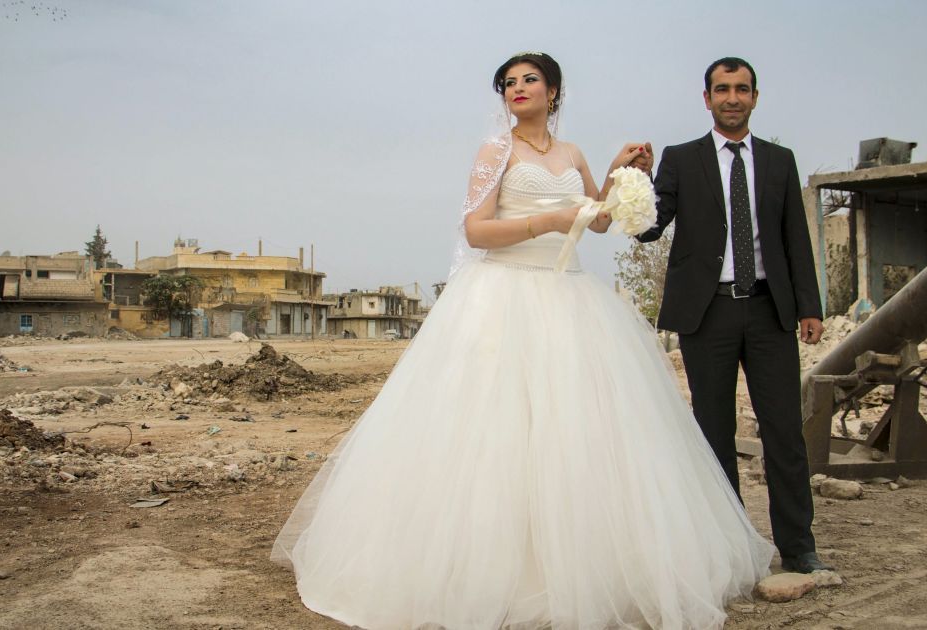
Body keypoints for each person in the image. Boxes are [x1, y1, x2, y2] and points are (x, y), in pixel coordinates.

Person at [273, 51, 773, 629]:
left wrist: (619, 173)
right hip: (503, 295)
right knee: (496, 433)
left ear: (553, 90)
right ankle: (489, 571)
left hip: (571, 298)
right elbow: (476, 230)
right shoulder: (496, 151)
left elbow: (599, 219)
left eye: (529, 79)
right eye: (508, 82)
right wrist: (546, 222)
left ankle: (582, 568)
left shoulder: (572, 153)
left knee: (577, 433)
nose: (517, 88)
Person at [635, 57, 832, 574]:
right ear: (707, 99)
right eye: (722, 89)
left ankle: (799, 548)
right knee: (714, 435)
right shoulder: (682, 159)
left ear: (755, 97)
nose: (732, 98)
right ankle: (730, 551)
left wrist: (809, 307)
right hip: (708, 315)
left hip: (770, 311)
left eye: (741, 89)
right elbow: (648, 229)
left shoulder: (779, 161)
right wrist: (637, 180)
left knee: (784, 432)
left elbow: (795, 237)